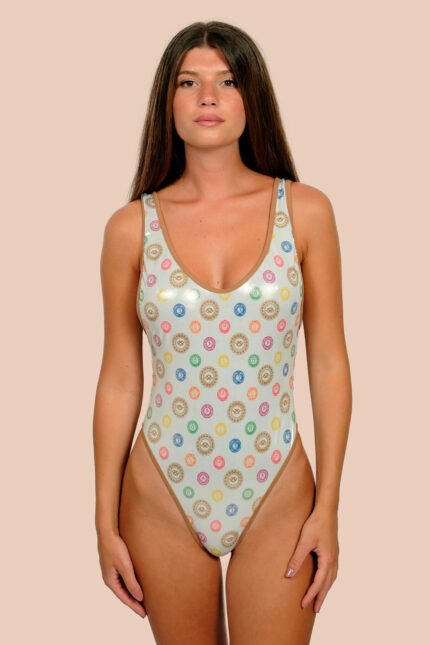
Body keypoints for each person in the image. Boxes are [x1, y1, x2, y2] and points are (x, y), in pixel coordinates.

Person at [93, 20, 352, 645]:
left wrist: (329, 506)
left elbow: (328, 363)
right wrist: (103, 519)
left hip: (277, 485)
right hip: (160, 488)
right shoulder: (130, 228)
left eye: (227, 81)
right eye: (189, 82)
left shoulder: (307, 212)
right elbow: (120, 377)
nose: (208, 96)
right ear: (168, 101)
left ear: (251, 96)